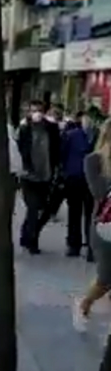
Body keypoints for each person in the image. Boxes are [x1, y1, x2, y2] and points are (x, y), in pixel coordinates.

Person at [17, 100, 61, 254]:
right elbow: (20, 150)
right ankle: (32, 241)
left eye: (39, 110)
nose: (37, 113)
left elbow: (56, 149)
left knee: (42, 209)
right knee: (33, 207)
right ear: (29, 112)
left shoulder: (52, 128)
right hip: (28, 176)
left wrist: (56, 168)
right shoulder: (24, 129)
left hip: (46, 175)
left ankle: (26, 233)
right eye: (33, 110)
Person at [79, 119, 111, 318]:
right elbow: (98, 192)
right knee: (106, 278)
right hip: (105, 227)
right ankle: (85, 303)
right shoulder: (93, 160)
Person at [59, 111, 94, 258]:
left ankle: (91, 247)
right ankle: (74, 244)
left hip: (91, 179)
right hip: (74, 177)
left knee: (90, 214)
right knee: (75, 212)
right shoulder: (72, 135)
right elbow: (62, 154)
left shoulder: (97, 135)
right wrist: (64, 172)